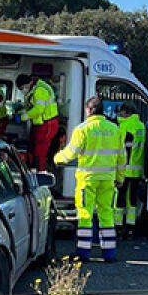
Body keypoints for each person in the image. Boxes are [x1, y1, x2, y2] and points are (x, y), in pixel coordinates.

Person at [55, 96, 124, 262]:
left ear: (89, 110)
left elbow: (71, 152)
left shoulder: (82, 129)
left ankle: (83, 253)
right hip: (108, 179)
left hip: (88, 179)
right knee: (106, 213)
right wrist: (120, 177)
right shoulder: (115, 129)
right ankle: (109, 254)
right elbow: (122, 157)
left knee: (85, 214)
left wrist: (57, 158)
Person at [114, 101, 148, 236]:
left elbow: (125, 150)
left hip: (125, 169)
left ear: (126, 112)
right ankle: (130, 226)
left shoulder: (125, 126)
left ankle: (118, 226)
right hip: (136, 169)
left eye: (121, 111)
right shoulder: (140, 126)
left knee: (120, 198)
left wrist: (119, 169)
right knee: (132, 199)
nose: (119, 114)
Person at [16, 73, 59, 169]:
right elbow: (32, 107)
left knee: (40, 151)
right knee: (34, 148)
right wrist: (21, 112)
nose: (23, 90)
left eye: (22, 88)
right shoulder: (34, 90)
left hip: (48, 123)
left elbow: (38, 110)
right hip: (41, 123)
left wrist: (22, 117)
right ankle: (33, 168)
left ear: (27, 84)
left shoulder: (40, 90)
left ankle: (40, 171)